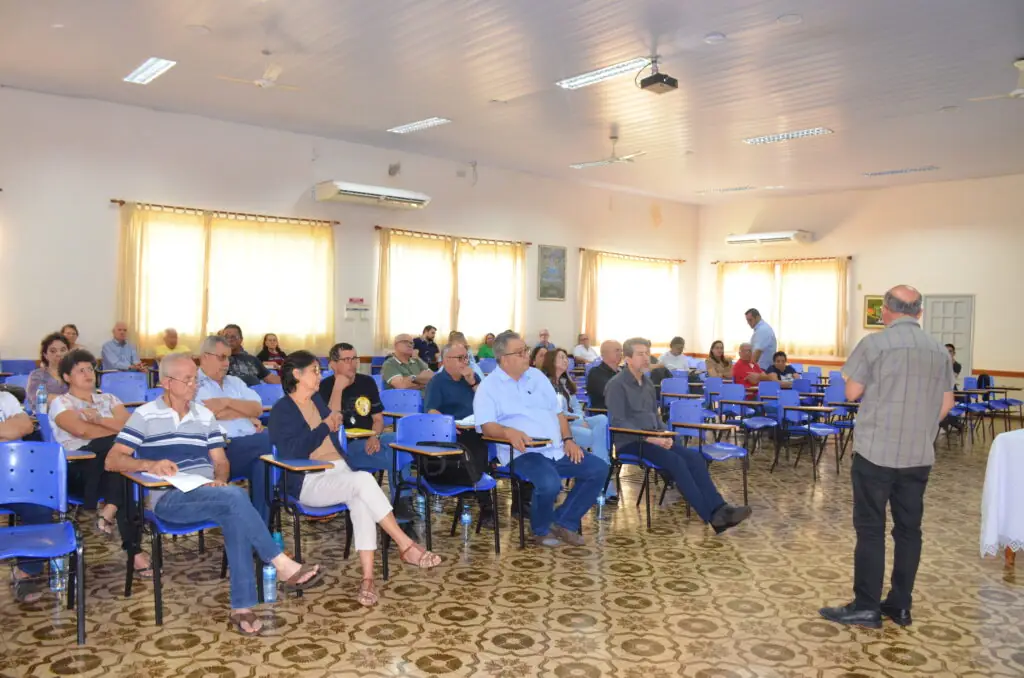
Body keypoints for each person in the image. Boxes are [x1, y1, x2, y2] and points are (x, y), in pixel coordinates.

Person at [106, 353, 323, 636]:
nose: (194, 385)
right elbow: (112, 460)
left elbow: (221, 461)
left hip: (207, 492)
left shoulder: (204, 415)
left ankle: (242, 607)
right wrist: (149, 464)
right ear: (167, 382)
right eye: (187, 380)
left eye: (195, 378)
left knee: (232, 505)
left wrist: (219, 480)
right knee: (235, 499)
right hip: (168, 497)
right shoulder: (145, 415)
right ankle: (279, 562)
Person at [820, 285, 954, 630]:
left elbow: (852, 392)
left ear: (886, 312)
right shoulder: (939, 350)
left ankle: (866, 606)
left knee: (871, 529)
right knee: (909, 530)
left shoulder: (875, 343)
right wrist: (920, 427)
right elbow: (946, 405)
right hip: (918, 455)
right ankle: (900, 605)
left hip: (876, 453)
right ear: (919, 312)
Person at [270, 350, 440, 607]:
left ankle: (368, 579)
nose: (319, 376)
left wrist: (332, 420)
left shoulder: (315, 400)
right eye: (314, 371)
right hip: (308, 479)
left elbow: (333, 421)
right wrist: (326, 425)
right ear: (296, 375)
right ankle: (405, 544)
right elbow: (294, 452)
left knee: (361, 498)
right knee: (362, 482)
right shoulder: (283, 409)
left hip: (338, 472)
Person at [474, 331, 609, 547]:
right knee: (549, 483)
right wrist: (509, 432)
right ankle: (540, 529)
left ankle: (564, 521)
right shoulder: (488, 387)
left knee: (598, 469)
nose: (527, 355)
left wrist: (568, 439)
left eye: (526, 350)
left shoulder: (537, 377)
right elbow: (487, 426)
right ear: (504, 358)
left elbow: (558, 414)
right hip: (521, 452)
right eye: (521, 352)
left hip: (556, 448)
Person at [605, 337, 752, 534]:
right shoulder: (616, 385)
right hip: (631, 442)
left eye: (647, 353)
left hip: (654, 438)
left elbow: (653, 416)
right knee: (676, 462)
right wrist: (651, 438)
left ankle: (720, 508)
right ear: (628, 359)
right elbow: (618, 422)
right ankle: (712, 517)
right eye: (640, 354)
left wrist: (665, 433)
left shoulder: (648, 383)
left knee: (695, 457)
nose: (646, 358)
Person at [49, 349, 152, 576]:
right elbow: (80, 430)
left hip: (107, 468)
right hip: (77, 469)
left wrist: (100, 419)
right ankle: (126, 537)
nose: (88, 374)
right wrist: (111, 428)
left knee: (122, 474)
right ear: (67, 377)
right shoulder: (61, 402)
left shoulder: (109, 398)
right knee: (118, 453)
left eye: (90, 369)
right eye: (80, 370)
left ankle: (127, 539)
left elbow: (132, 428)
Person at [320, 342, 414, 519]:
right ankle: (403, 502)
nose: (352, 363)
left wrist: (375, 436)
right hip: (344, 446)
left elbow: (378, 419)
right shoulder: (325, 387)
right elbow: (332, 424)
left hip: (370, 438)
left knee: (401, 440)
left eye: (354, 358)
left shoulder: (367, 382)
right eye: (346, 359)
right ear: (333, 364)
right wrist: (338, 387)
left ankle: (402, 502)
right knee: (397, 455)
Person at [195, 335, 272, 523]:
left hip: (250, 448)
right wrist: (244, 412)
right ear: (205, 357)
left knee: (264, 467)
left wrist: (227, 402)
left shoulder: (235, 382)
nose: (226, 363)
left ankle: (258, 536)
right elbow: (209, 415)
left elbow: (257, 408)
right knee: (273, 439)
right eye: (221, 357)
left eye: (228, 357)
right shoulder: (193, 384)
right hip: (220, 450)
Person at [424, 342, 495, 525]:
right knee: (476, 449)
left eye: (466, 357)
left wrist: (472, 382)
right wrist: (447, 424)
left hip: (474, 427)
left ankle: (478, 490)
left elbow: (486, 402)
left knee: (482, 446)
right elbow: (431, 410)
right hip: (451, 432)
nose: (465, 362)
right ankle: (485, 504)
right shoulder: (437, 382)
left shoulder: (471, 378)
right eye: (460, 358)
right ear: (446, 360)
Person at [541, 348, 615, 502]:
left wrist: (581, 420)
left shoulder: (566, 383)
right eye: (561, 358)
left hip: (575, 422)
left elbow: (576, 407)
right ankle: (604, 476)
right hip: (560, 428)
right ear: (551, 361)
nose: (565, 361)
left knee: (601, 419)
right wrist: (577, 420)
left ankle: (601, 475)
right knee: (593, 437)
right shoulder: (544, 384)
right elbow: (554, 412)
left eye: (566, 358)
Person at [0, 388, 51, 602]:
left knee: (40, 504)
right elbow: (13, 429)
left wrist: (14, 429)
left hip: (13, 476)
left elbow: (25, 426)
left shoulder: (5, 398)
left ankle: (25, 572)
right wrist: (6, 430)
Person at [25, 332, 70, 412]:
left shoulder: (76, 374)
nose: (59, 354)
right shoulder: (37, 375)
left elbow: (85, 398)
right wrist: (71, 400)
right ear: (45, 355)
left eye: (63, 350)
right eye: (53, 351)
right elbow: (37, 400)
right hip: (46, 418)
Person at [585, 340, 622, 411]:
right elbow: (613, 394)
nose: (620, 353)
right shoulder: (596, 373)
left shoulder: (623, 371)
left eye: (621, 351)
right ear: (604, 353)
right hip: (605, 413)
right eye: (617, 350)